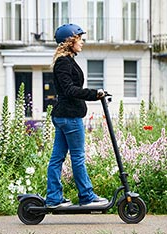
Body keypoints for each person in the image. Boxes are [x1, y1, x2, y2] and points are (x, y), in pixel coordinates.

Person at [45, 23, 109, 208]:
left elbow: (71, 89)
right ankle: (87, 195)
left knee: (57, 158)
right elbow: (69, 89)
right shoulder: (64, 62)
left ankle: (54, 198)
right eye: (79, 39)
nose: (82, 42)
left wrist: (94, 95)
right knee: (78, 157)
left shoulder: (67, 60)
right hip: (69, 117)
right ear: (69, 41)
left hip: (65, 116)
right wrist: (94, 94)